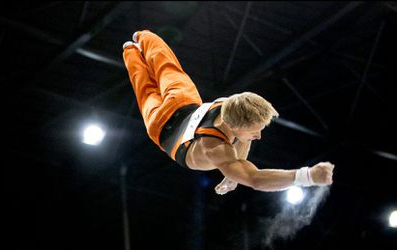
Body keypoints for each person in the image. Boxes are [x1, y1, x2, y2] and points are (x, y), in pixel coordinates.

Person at [122, 30, 334, 195]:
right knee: (146, 88)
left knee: (167, 68)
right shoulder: (214, 149)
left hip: (183, 103)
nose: (259, 136)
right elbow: (256, 179)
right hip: (162, 127)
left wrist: (233, 176)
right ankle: (130, 50)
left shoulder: (233, 104)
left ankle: (143, 37)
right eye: (255, 131)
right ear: (235, 126)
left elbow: (244, 136)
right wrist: (308, 176)